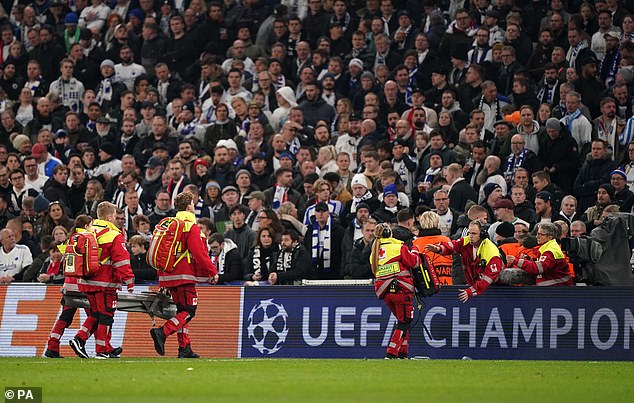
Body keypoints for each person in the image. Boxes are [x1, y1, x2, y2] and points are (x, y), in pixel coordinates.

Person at [150, 192, 218, 358]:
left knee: (181, 311)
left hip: (167, 274)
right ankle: (162, 332)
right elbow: (199, 253)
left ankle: (184, 348)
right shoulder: (190, 226)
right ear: (189, 207)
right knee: (189, 311)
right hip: (183, 275)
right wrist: (212, 271)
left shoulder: (170, 225)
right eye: (193, 204)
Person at [69, 202, 134, 359]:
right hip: (105, 283)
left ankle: (92, 343)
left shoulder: (88, 231)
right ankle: (97, 347)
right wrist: (129, 280)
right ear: (110, 216)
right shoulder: (113, 235)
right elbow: (122, 261)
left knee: (97, 314)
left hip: (86, 281)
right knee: (105, 316)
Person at [44, 215, 94, 358]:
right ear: (86, 226)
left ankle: (52, 346)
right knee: (96, 316)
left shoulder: (69, 242)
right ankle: (95, 345)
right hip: (82, 285)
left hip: (69, 285)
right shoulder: (86, 240)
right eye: (91, 224)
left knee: (65, 317)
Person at [370, 222, 420, 359]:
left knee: (402, 321)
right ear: (389, 233)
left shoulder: (374, 252)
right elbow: (414, 262)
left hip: (386, 293)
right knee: (404, 322)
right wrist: (415, 250)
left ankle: (403, 354)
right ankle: (391, 353)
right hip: (401, 290)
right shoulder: (398, 246)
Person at [426, 220, 504, 302]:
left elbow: (488, 278)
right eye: (469, 233)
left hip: (494, 290)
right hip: (476, 288)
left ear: (482, 234)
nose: (470, 236)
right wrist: (439, 249)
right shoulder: (466, 241)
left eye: (474, 234)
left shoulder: (491, 252)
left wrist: (470, 291)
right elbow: (453, 245)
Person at [507, 222, 573, 286]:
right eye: (537, 234)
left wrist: (516, 261)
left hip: (558, 291)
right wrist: (531, 259)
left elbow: (539, 268)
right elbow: (546, 264)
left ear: (549, 237)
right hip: (552, 289)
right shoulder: (548, 247)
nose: (537, 237)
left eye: (541, 234)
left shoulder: (551, 251)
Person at [413, 211, 453, 285]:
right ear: (437, 223)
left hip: (427, 286)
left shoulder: (415, 243)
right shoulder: (446, 240)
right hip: (447, 284)